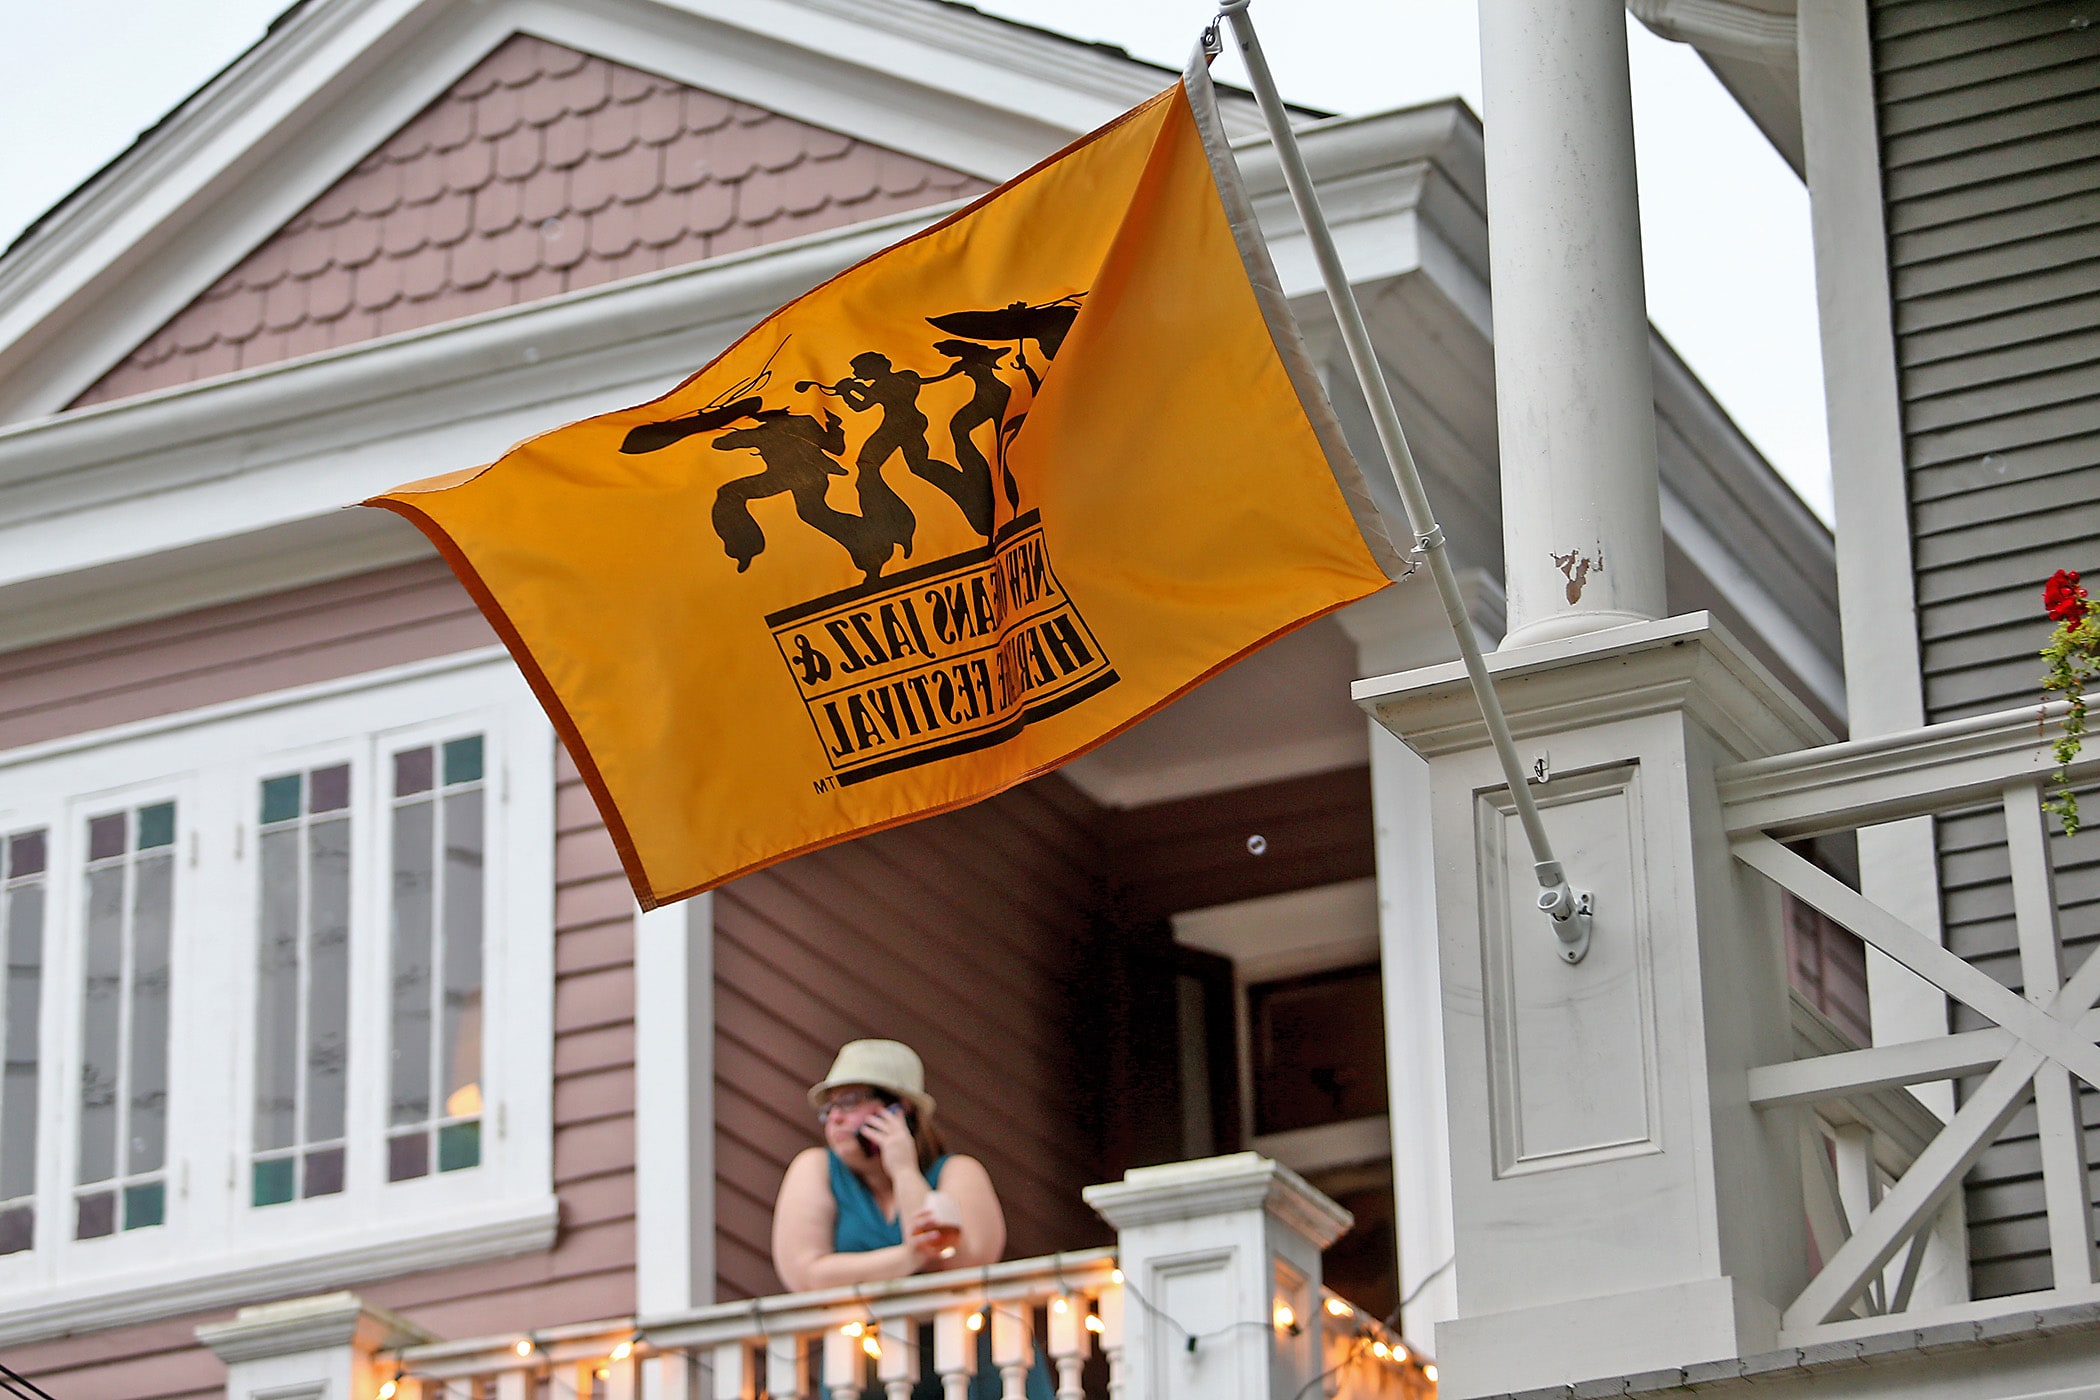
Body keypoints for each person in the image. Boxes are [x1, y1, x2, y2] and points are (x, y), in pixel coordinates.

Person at [772, 1040, 1051, 1399]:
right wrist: (909, 1256)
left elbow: (959, 1265)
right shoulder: (816, 1169)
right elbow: (808, 1276)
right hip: (868, 1374)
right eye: (830, 1107)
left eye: (850, 1101)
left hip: (972, 1369)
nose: (835, 1117)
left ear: (899, 1109)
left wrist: (903, 1170)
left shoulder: (958, 1172)